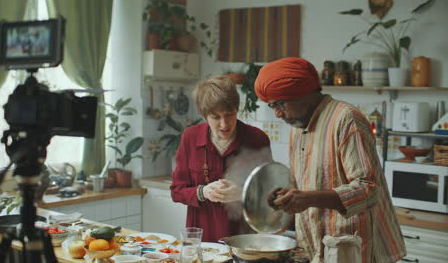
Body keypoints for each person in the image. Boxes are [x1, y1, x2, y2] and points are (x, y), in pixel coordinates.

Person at [254, 57, 406, 263]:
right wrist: (287, 195)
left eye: (280, 104)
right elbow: (309, 184)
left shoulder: (346, 119)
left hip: (351, 249)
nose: (278, 113)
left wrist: (308, 198)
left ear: (304, 93)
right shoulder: (298, 129)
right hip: (315, 248)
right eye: (272, 106)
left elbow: (368, 190)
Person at [171, 75, 272, 242]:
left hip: (245, 239)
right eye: (216, 117)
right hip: (201, 238)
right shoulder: (190, 137)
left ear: (237, 109)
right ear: (204, 116)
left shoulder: (257, 139)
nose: (224, 125)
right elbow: (176, 191)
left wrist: (243, 193)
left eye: (229, 115)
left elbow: (271, 194)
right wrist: (202, 192)